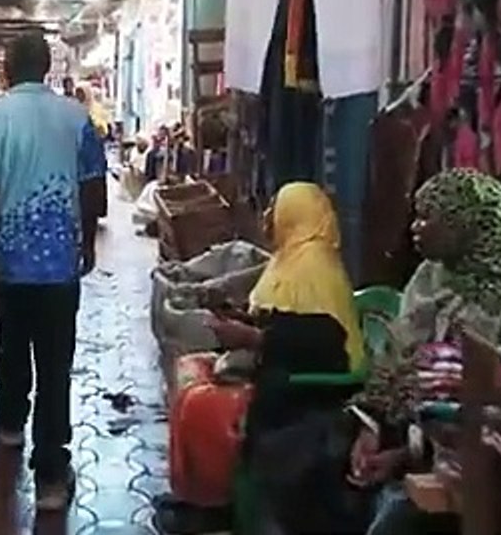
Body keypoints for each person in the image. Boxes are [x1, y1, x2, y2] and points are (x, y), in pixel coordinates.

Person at [348, 168, 501, 535]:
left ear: (464, 224)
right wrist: (371, 430)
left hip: (487, 467)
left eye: (428, 217)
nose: (415, 227)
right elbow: (398, 362)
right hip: (423, 449)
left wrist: (408, 456)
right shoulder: (430, 280)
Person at [155, 182, 365, 534]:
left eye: (276, 209)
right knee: (190, 378)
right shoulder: (292, 260)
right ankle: (201, 496)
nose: (268, 216)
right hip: (282, 368)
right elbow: (283, 318)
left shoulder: (314, 269)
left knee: (203, 407)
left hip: (310, 388)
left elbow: (322, 341)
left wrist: (252, 337)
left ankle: (216, 503)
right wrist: (241, 317)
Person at [0, 32, 107, 511]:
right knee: (54, 365)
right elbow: (94, 188)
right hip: (59, 268)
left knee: (10, 345)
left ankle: (9, 426)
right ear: (47, 67)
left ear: (7, 68)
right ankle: (50, 476)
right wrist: (86, 242)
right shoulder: (76, 117)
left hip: (10, 264)